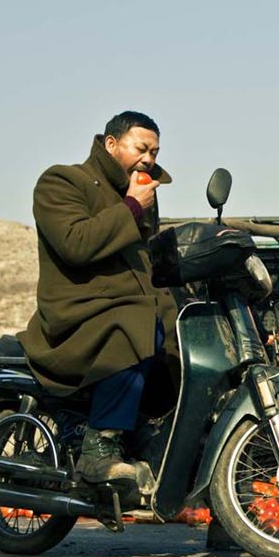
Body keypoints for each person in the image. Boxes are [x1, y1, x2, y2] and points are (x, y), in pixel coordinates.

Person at [19, 111, 178, 484]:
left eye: (155, 152)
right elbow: (76, 244)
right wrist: (133, 207)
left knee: (177, 332)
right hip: (77, 318)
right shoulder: (63, 181)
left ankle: (146, 432)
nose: (150, 160)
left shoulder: (133, 193)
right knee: (136, 322)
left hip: (120, 309)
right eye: (142, 148)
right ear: (111, 144)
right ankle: (99, 450)